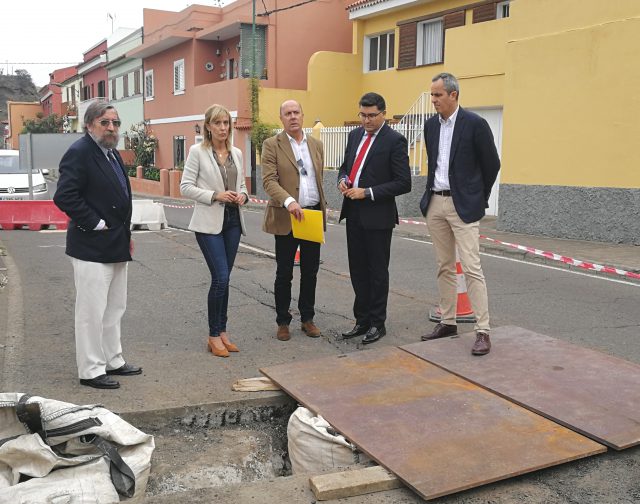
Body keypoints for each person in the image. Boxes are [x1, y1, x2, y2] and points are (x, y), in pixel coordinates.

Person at [53, 102, 141, 389]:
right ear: (89, 124)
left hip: (116, 243)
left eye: (115, 123)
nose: (112, 128)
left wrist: (126, 235)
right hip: (91, 246)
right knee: (91, 312)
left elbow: (119, 197)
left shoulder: (112, 154)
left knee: (115, 307)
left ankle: (112, 359)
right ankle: (91, 370)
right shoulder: (79, 152)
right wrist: (96, 223)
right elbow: (65, 197)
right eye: (105, 122)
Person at [419, 72, 501, 356]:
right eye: (432, 95)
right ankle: (448, 321)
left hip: (462, 205)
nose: (433, 100)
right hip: (436, 203)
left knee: (471, 267)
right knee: (444, 266)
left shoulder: (475, 124)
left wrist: (477, 197)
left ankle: (482, 330)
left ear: (453, 95)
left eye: (438, 95)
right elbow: (434, 163)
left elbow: (492, 164)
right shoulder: (431, 126)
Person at [338, 92, 411, 344]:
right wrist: (342, 179)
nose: (366, 121)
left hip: (378, 216)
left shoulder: (395, 141)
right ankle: (362, 320)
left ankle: (378, 323)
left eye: (371, 116)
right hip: (353, 212)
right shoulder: (354, 135)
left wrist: (367, 192)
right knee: (357, 269)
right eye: (362, 115)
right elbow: (345, 166)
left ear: (383, 114)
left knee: (377, 271)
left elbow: (403, 183)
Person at [180, 104, 248, 358]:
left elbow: (242, 185)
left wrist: (242, 195)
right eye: (217, 123)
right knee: (220, 277)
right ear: (208, 126)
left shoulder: (237, 153)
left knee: (226, 279)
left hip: (232, 222)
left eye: (226, 123)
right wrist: (215, 195)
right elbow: (185, 187)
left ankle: (222, 331)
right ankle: (212, 334)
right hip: (209, 223)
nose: (222, 128)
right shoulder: (197, 152)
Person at [262, 100, 326, 342]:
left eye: (296, 112)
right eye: (287, 114)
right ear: (281, 118)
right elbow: (269, 180)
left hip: (311, 215)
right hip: (287, 217)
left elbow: (317, 179)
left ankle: (307, 318)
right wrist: (289, 202)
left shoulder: (316, 145)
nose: (292, 117)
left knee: (311, 271)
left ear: (302, 114)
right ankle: (282, 321)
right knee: (284, 272)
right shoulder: (272, 145)